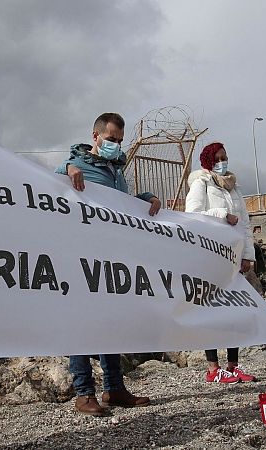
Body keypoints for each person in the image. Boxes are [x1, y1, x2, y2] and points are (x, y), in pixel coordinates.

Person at [55, 112, 160, 416]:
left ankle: (114, 388)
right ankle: (84, 392)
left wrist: (147, 198)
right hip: (82, 253)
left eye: (119, 140)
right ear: (96, 136)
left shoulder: (117, 171)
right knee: (83, 322)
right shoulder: (79, 163)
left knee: (110, 322)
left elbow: (120, 204)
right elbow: (47, 178)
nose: (115, 144)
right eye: (111, 138)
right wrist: (67, 167)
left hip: (111, 255)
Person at [184, 142, 257, 384]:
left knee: (234, 310)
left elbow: (245, 224)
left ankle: (233, 365)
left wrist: (248, 255)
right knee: (213, 310)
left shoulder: (234, 187)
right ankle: (213, 367)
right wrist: (222, 215)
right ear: (208, 161)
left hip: (233, 256)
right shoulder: (201, 182)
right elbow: (192, 214)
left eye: (225, 157)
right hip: (210, 254)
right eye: (217, 158)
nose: (222, 162)